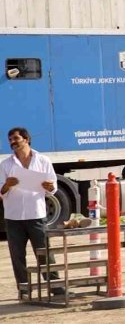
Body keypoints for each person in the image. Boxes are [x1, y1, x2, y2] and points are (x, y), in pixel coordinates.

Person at [1, 127, 64, 299]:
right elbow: (0, 191)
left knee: (44, 253)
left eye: (15, 138)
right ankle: (24, 290)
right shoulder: (5, 164)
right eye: (10, 140)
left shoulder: (43, 160)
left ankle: (56, 288)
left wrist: (50, 187)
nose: (12, 142)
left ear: (26, 139)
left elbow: (53, 186)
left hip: (36, 214)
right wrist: (7, 185)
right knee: (18, 256)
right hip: (14, 217)